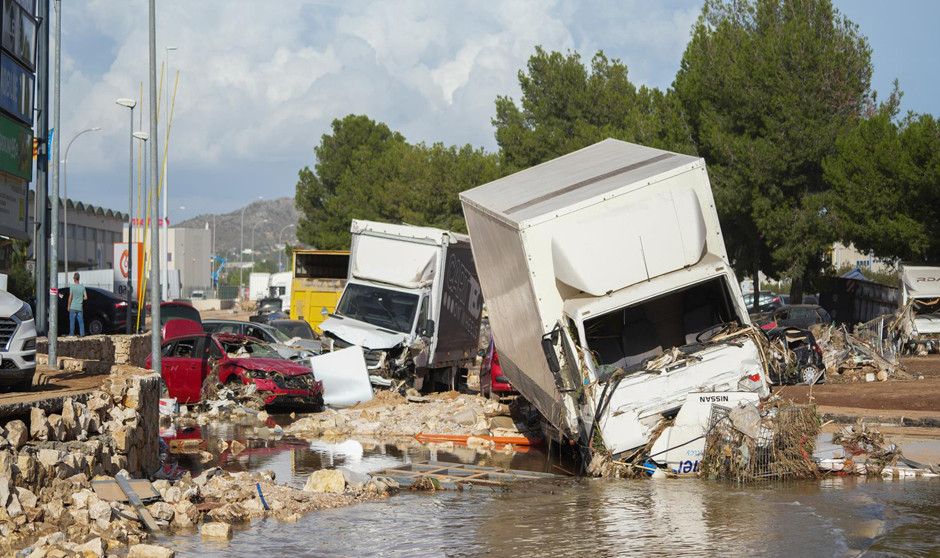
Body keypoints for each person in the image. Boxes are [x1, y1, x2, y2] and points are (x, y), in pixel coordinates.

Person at [68, 272, 87, 337]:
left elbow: (70, 297)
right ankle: (82, 334)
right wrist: (80, 298)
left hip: (73, 307)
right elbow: (86, 297)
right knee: (81, 322)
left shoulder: (72, 286)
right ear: (78, 278)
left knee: (72, 323)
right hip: (79, 307)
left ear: (74, 279)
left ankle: (71, 334)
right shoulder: (82, 287)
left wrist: (68, 306)